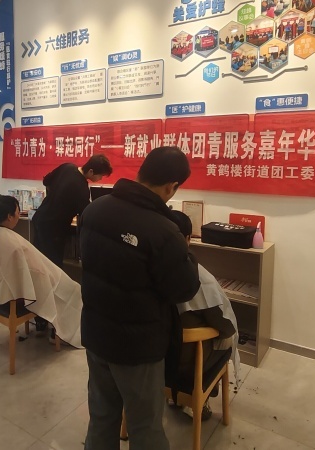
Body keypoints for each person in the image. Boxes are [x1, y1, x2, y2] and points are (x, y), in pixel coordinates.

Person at [79, 146, 201, 450]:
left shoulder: (94, 210)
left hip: (96, 334)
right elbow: (184, 289)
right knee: (145, 427)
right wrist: (188, 256)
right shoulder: (165, 232)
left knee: (101, 417)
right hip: (137, 348)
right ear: (172, 187)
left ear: (141, 171)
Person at [0, 195, 83, 347]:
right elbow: (38, 270)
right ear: (9, 217)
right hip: (17, 295)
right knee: (72, 290)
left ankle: (42, 323)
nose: (18, 215)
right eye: (17, 212)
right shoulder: (13, 244)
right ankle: (60, 332)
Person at [169, 211, 241, 421]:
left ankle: (175, 397)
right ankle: (199, 401)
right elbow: (225, 326)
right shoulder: (199, 278)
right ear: (187, 239)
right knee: (226, 340)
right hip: (184, 362)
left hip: (152, 353)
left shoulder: (143, 266)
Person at [31, 154, 112, 334]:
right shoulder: (82, 189)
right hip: (53, 231)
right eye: (100, 176)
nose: (100, 180)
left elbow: (46, 181)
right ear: (91, 171)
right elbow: (87, 215)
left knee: (39, 270)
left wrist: (55, 199)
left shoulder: (67, 166)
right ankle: (52, 321)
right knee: (54, 274)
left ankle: (39, 317)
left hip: (40, 220)